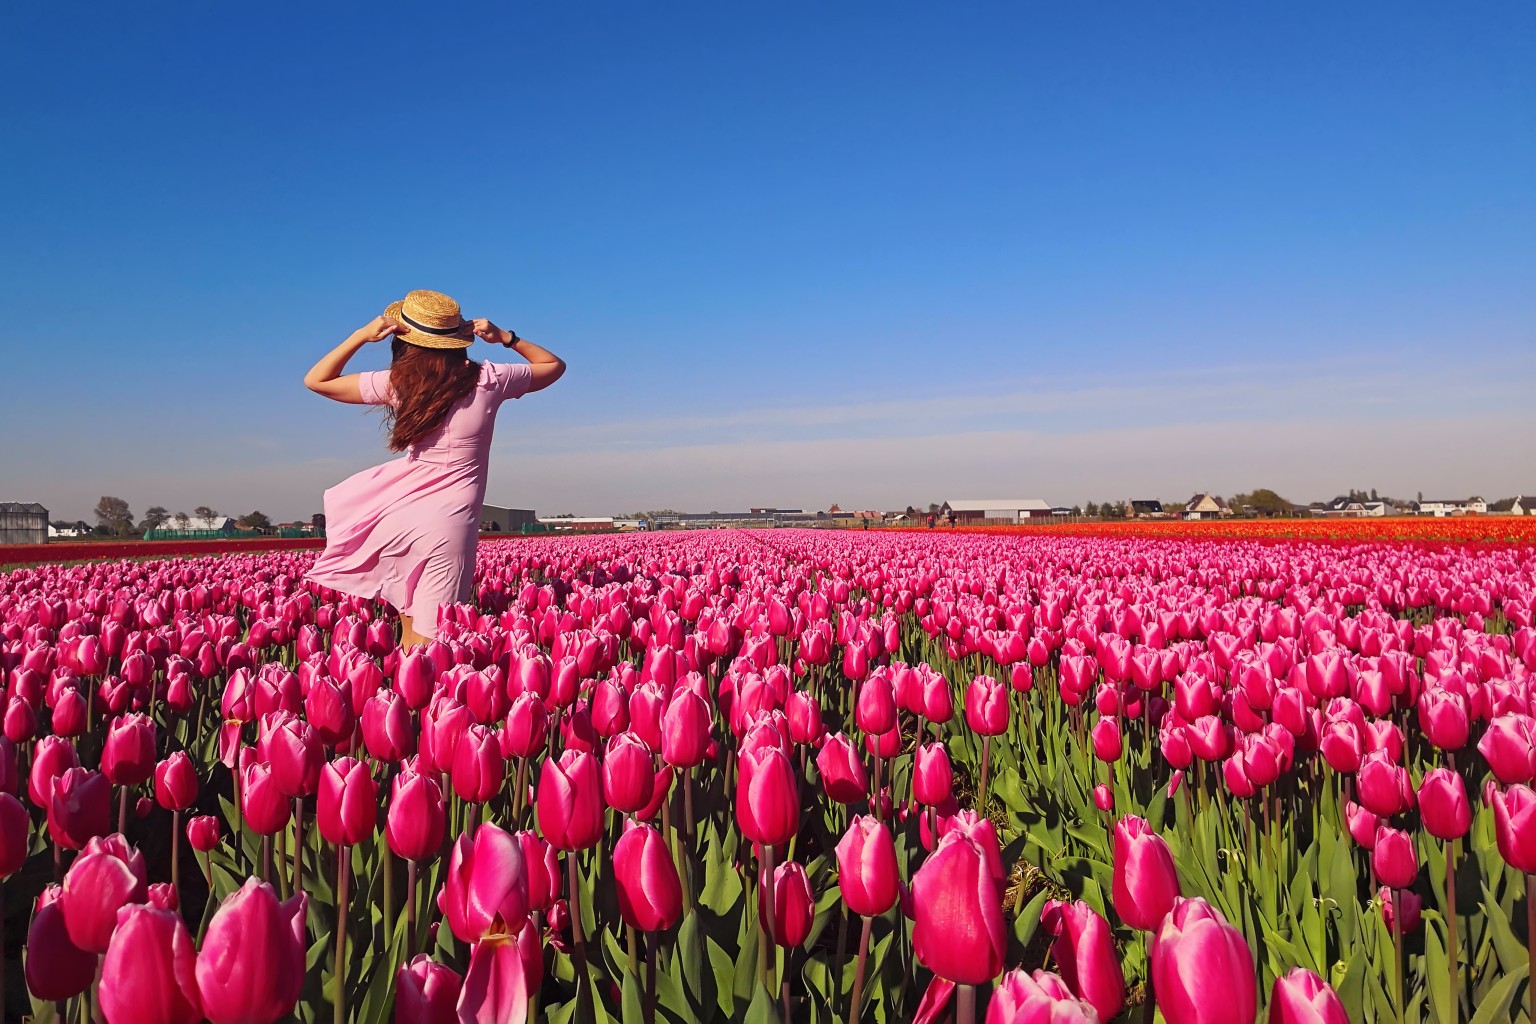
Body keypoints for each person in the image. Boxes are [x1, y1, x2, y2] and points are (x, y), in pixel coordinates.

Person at [303, 289, 565, 649]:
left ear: (404, 340)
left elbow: (317, 381)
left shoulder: (399, 382)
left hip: (402, 511)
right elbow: (553, 366)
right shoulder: (489, 378)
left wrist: (361, 335)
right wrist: (507, 338)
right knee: (433, 640)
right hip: (449, 522)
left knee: (411, 629)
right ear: (458, 340)